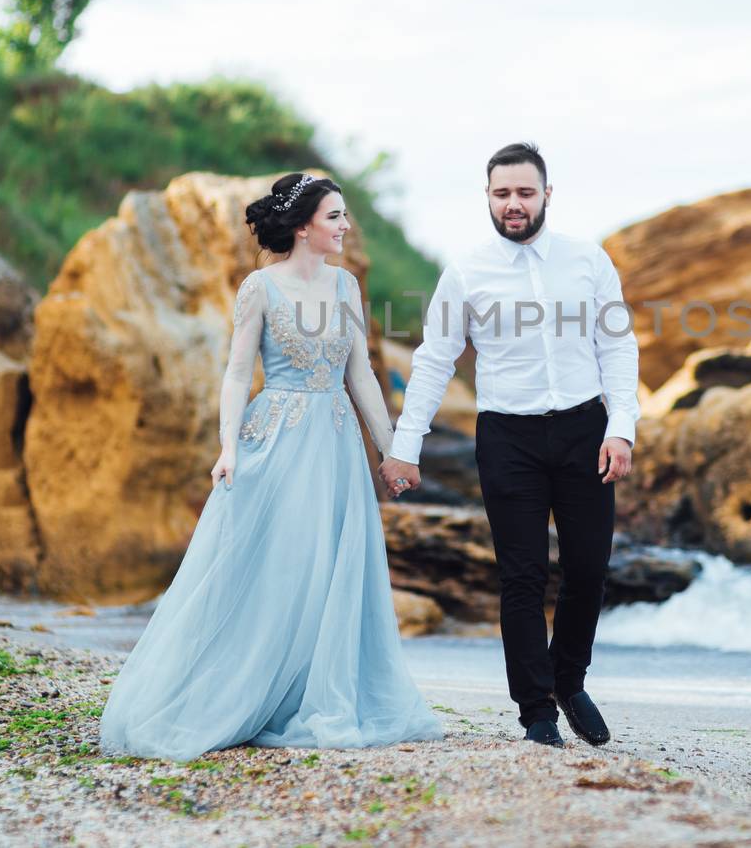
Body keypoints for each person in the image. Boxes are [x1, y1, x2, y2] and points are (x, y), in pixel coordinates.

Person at [99, 172, 444, 761]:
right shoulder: (259, 287)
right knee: (279, 564)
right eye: (335, 216)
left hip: (334, 443)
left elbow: (360, 372)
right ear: (305, 225)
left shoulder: (346, 287)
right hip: (278, 438)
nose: (345, 226)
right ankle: (248, 689)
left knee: (330, 564)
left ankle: (315, 692)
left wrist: (391, 451)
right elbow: (237, 374)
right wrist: (227, 446)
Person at [379, 143, 639, 748]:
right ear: (488, 198)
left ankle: (569, 682)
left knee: (588, 569)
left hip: (583, 428)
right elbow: (435, 359)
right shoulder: (466, 271)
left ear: (547, 194)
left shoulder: (587, 260)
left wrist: (620, 426)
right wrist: (406, 446)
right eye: (502, 194)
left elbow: (618, 347)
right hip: (507, 438)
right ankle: (536, 712)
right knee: (520, 576)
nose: (514, 204)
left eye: (525, 192)